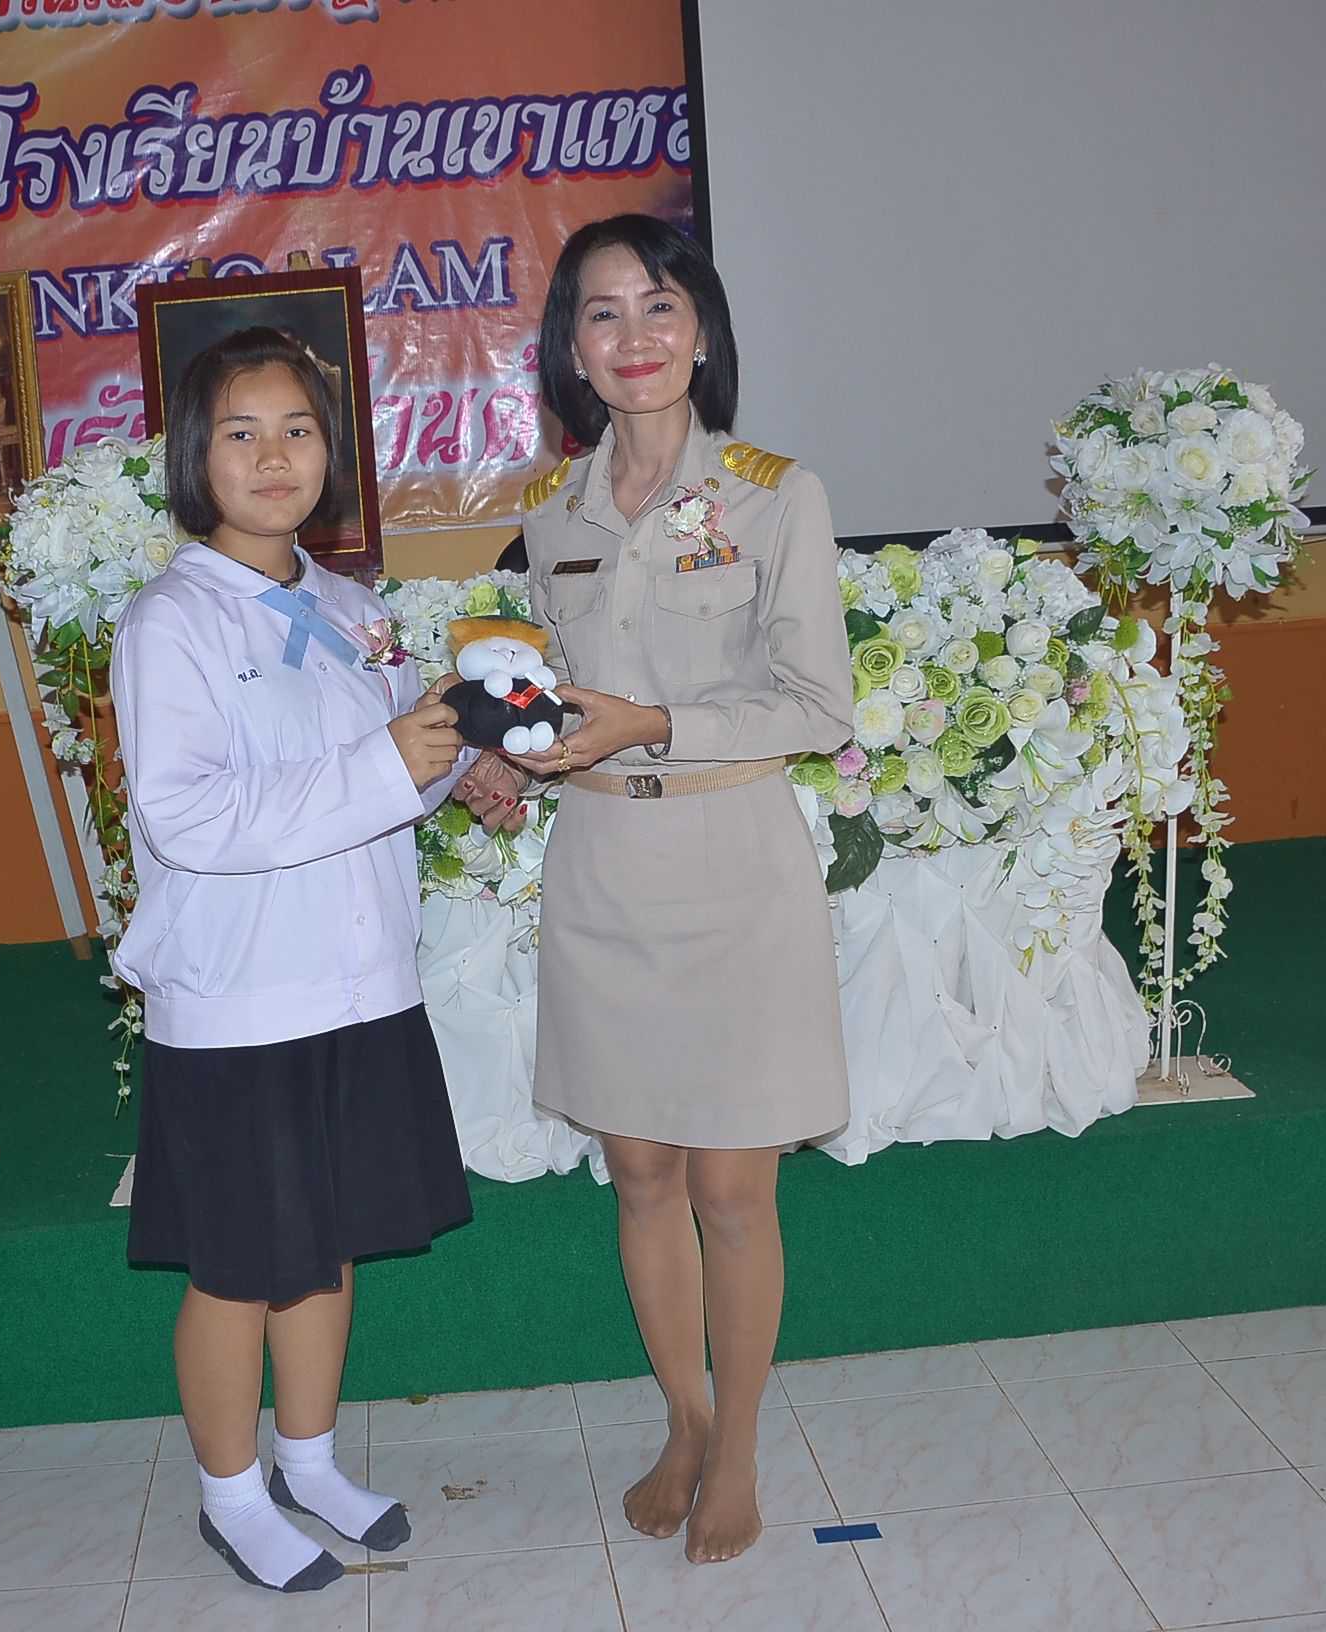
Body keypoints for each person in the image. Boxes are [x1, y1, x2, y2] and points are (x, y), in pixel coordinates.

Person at [454, 214, 853, 1564]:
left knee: (733, 1189)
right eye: (603, 313)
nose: (633, 337)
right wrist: (505, 760)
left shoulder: (774, 496)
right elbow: (547, 697)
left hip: (733, 864)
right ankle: (684, 1419)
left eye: (660, 307)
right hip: (602, 867)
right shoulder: (550, 511)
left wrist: (656, 724)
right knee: (638, 1175)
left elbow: (814, 704)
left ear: (703, 333)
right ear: (570, 349)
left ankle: (738, 1450)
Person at [108, 326, 476, 1594]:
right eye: (242, 433)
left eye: (299, 430)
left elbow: (392, 779)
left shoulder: (353, 610)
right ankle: (231, 1493)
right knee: (241, 1265)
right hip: (243, 997)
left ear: (333, 451)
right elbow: (187, 818)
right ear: (194, 457)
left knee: (330, 1242)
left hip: (360, 983)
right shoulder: (171, 621)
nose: (275, 458)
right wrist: (383, 765)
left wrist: (461, 757)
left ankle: (309, 1462)